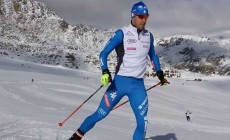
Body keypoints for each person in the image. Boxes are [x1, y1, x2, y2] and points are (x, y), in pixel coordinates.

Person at [68, 1, 168, 140]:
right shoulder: (121, 34)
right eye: (140, 16)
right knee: (100, 114)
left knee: (143, 122)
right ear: (133, 15)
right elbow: (103, 54)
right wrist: (105, 71)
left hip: (138, 87)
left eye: (146, 16)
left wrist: (159, 73)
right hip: (119, 84)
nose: (143, 20)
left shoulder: (149, 36)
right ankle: (76, 137)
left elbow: (153, 56)